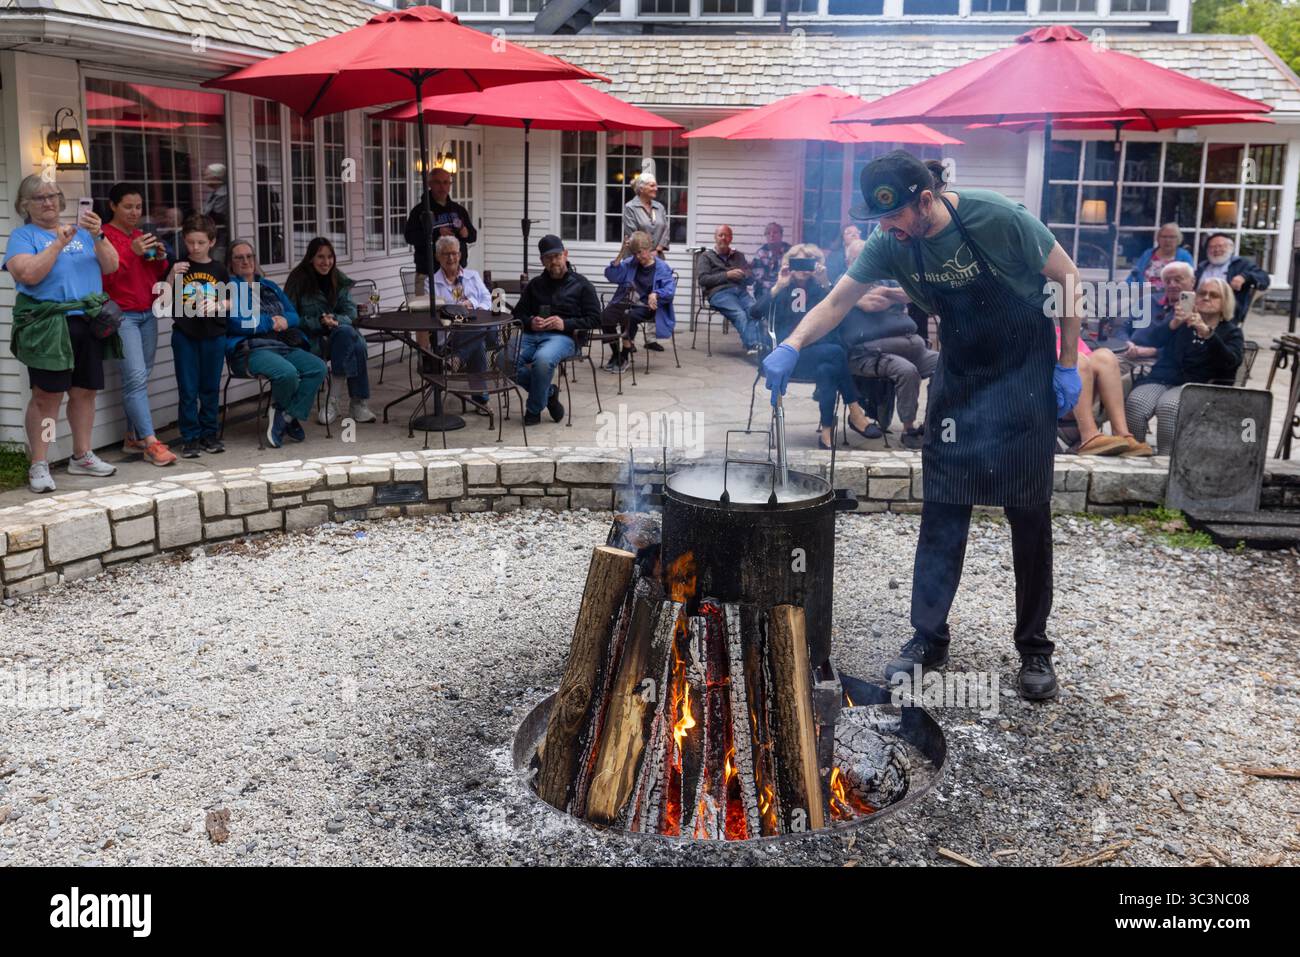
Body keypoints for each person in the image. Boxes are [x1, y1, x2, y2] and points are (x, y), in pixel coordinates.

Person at [761, 150, 1085, 701]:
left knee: (1028, 511)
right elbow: (839, 301)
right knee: (943, 504)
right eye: (878, 222)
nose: (884, 232)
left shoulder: (997, 216)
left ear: (926, 200)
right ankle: (928, 637)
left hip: (1025, 366)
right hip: (960, 368)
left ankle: (1034, 648)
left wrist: (1069, 364)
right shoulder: (892, 242)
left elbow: (1067, 276)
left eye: (892, 218)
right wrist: (792, 343)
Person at [3, 174, 121, 493]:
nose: (48, 202)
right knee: (47, 397)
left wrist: (99, 236)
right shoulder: (22, 237)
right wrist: (57, 243)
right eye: (39, 198)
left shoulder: (84, 232)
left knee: (85, 391)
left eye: (52, 196)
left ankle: (81, 455)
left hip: (87, 321)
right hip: (49, 326)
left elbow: (111, 266)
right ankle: (40, 462)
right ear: (24, 205)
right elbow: (28, 273)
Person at [749, 244, 878, 451]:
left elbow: (838, 315)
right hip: (786, 359)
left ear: (816, 265)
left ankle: (826, 434)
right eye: (797, 263)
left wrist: (825, 282)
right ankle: (855, 410)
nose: (802, 268)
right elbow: (754, 313)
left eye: (807, 263)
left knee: (827, 370)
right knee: (835, 353)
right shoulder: (782, 288)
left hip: (816, 356)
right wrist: (778, 287)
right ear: (788, 264)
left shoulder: (818, 289)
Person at [101, 182, 176, 466]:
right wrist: (131, 252)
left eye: (138, 207)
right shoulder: (104, 237)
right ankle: (151, 443)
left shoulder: (139, 235)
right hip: (123, 316)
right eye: (128, 206)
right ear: (113, 206)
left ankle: (131, 438)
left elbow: (151, 275)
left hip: (147, 313)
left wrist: (159, 257)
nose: (134, 212)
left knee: (140, 378)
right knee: (134, 379)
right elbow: (105, 279)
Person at [225, 240, 327, 449]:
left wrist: (286, 321)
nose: (246, 261)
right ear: (231, 263)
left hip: (281, 345)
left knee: (318, 367)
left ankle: (286, 415)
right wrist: (270, 322)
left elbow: (293, 314)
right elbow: (236, 322)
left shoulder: (268, 286)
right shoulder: (229, 288)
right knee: (287, 373)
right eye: (239, 257)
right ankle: (286, 414)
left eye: (249, 256)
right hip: (249, 350)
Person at [1124, 277, 1244, 454]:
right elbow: (1150, 340)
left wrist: (1208, 334)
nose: (1206, 298)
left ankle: (1167, 459)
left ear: (1225, 302)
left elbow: (1231, 362)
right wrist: (1172, 324)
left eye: (1214, 295)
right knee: (1136, 403)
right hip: (1163, 379)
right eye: (1202, 293)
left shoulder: (1231, 332)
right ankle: (1136, 454)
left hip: (1200, 386)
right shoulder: (1181, 321)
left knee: (1169, 406)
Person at [838, 238, 937, 449]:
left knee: (945, 364)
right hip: (869, 352)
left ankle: (932, 423)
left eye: (869, 257)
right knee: (907, 371)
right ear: (848, 262)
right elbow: (872, 304)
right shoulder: (846, 283)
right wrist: (894, 298)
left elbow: (913, 294)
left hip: (913, 345)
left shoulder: (887, 280)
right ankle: (909, 429)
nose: (867, 262)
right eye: (858, 258)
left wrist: (886, 292)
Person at [284, 237, 376, 427]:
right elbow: (290, 317)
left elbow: (350, 313)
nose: (326, 262)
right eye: (320, 257)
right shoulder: (297, 280)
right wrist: (319, 322)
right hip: (310, 339)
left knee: (347, 336)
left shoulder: (339, 279)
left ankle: (334, 400)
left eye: (330, 257)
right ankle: (354, 404)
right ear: (311, 258)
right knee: (355, 343)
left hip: (337, 335)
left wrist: (333, 320)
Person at [510, 234, 601, 426]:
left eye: (557, 256)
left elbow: (596, 319)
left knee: (542, 361)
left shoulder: (582, 284)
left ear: (565, 254)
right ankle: (549, 393)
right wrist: (530, 321)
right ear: (542, 260)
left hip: (565, 338)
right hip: (532, 334)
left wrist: (565, 324)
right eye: (549, 258)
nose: (554, 261)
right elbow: (517, 314)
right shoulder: (535, 285)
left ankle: (534, 410)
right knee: (502, 359)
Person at [168, 214, 229, 458]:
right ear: (184, 240)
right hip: (185, 334)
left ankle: (209, 434)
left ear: (211, 242)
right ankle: (190, 437)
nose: (194, 248)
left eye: (200, 243)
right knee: (188, 389)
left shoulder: (219, 268)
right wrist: (172, 274)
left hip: (213, 334)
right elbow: (162, 298)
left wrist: (218, 304)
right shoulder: (179, 266)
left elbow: (231, 301)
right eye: (190, 242)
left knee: (210, 387)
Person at [1060, 333, 1152, 457]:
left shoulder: (1063, 330)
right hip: (1047, 397)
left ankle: (1122, 434)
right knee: (1077, 360)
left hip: (1076, 397)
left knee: (1105, 356)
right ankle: (1089, 436)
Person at [429, 234, 492, 413]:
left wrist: (472, 305)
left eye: (454, 253)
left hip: (479, 327)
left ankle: (458, 358)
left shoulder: (473, 276)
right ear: (437, 257)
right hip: (452, 336)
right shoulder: (432, 283)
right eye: (446, 254)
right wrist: (457, 310)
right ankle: (481, 400)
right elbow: (436, 311)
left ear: (460, 255)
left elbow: (488, 300)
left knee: (479, 332)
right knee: (477, 343)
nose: (451, 258)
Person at [602, 231, 676, 373]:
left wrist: (656, 293)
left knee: (628, 316)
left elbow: (670, 290)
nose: (637, 257)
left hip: (648, 306)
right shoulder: (631, 263)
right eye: (634, 253)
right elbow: (611, 275)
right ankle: (616, 354)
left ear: (649, 249)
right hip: (627, 301)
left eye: (640, 252)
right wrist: (622, 251)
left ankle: (624, 356)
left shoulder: (661, 267)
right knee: (606, 317)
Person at [403, 167, 475, 295]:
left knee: (455, 312)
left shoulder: (458, 210)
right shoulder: (420, 211)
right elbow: (410, 237)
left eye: (446, 183)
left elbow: (472, 236)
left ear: (450, 185)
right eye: (438, 182)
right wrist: (435, 234)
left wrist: (465, 233)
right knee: (425, 313)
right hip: (428, 273)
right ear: (430, 184)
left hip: (455, 273)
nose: (442, 187)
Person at [622, 173, 669, 351]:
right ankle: (629, 338)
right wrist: (645, 254)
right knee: (635, 296)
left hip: (657, 257)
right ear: (641, 188)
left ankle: (650, 338)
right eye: (652, 185)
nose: (656, 188)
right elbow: (632, 234)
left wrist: (657, 251)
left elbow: (666, 229)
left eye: (655, 185)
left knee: (655, 293)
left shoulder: (659, 207)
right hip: (637, 259)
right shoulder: (630, 207)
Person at [698, 225, 759, 354]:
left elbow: (750, 280)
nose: (724, 238)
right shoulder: (706, 256)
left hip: (740, 292)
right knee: (740, 314)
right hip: (719, 293)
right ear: (715, 237)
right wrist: (727, 275)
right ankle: (753, 345)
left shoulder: (739, 256)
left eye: (727, 235)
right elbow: (703, 280)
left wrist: (747, 275)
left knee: (755, 311)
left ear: (731, 238)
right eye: (721, 235)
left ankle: (755, 344)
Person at [1194, 233, 1269, 325]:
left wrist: (1244, 277)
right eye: (1212, 247)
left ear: (1231, 248)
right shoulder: (1202, 267)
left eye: (1221, 246)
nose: (1216, 250)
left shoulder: (1241, 264)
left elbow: (1264, 278)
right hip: (1199, 308)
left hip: (1227, 312)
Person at [1125, 222, 1193, 300]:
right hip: (1142, 296)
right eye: (1164, 237)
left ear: (1178, 240)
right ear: (1158, 239)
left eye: (1172, 237)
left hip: (1170, 298)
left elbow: (1189, 282)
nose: (1167, 240)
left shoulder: (1184, 256)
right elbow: (1134, 275)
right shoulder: (1148, 254)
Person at [750, 221, 791, 302]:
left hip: (785, 289)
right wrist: (775, 288)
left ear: (781, 235)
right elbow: (759, 278)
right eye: (768, 233)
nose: (772, 235)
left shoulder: (790, 251)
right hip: (765, 290)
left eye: (775, 232)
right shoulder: (761, 253)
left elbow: (792, 275)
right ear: (766, 236)